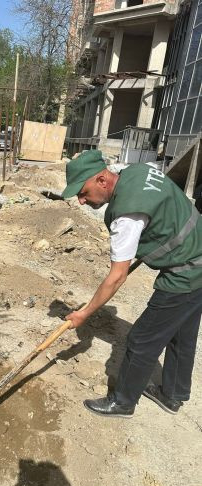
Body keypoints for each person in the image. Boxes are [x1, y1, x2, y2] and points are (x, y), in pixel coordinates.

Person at [62, 149, 202, 418]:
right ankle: (173, 396)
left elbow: (117, 277)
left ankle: (123, 402)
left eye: (83, 192)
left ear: (102, 180)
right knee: (182, 334)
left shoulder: (126, 215)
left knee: (141, 340)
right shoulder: (137, 171)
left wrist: (84, 313)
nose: (80, 201)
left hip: (187, 271)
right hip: (198, 253)